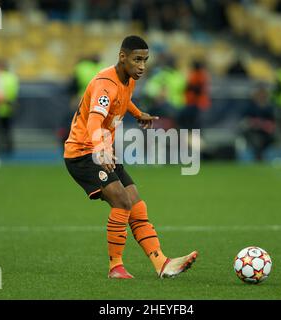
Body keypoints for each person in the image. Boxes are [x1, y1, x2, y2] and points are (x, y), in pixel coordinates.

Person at [63, 35, 198, 279]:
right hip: (83, 153)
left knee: (135, 201)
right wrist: (99, 149)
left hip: (102, 151)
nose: (142, 66)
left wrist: (137, 113)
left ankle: (161, 263)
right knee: (122, 202)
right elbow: (95, 118)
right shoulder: (105, 84)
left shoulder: (127, 79)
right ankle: (116, 266)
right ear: (122, 57)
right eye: (137, 60)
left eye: (145, 60)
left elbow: (123, 101)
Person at [0, 61, 19, 155]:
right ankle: (9, 148)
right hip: (10, 106)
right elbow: (15, 92)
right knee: (8, 129)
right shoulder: (12, 78)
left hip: (0, 107)